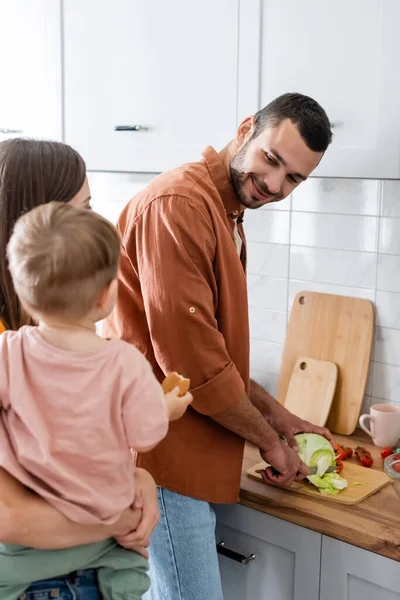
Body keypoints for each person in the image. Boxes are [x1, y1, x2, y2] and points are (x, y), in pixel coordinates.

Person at [104, 92, 336, 600]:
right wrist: (270, 441)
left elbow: (212, 349)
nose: (274, 185)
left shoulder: (226, 211)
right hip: (161, 457)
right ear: (247, 127)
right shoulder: (180, 205)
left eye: (294, 178)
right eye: (271, 159)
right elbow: (190, 361)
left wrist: (276, 415)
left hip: (187, 451)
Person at [0, 202, 192, 600]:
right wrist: (165, 409)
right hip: (98, 561)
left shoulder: (7, 352)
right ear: (107, 295)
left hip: (22, 564)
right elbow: (144, 434)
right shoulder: (123, 362)